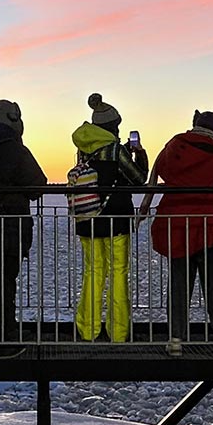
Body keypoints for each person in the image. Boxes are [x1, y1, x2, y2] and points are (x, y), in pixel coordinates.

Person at [139, 111, 213, 355]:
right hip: (208, 227)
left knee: (179, 285)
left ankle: (175, 339)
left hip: (176, 225)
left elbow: (163, 173)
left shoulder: (173, 146)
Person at [70, 93, 147, 342]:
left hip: (88, 220)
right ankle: (118, 331)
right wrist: (139, 153)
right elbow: (138, 179)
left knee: (92, 272)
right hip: (116, 221)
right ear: (113, 125)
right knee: (117, 273)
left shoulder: (83, 149)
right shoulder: (115, 150)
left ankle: (88, 329)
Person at [0, 99, 47, 353]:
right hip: (11, 225)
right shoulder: (17, 150)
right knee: (5, 281)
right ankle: (5, 333)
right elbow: (37, 185)